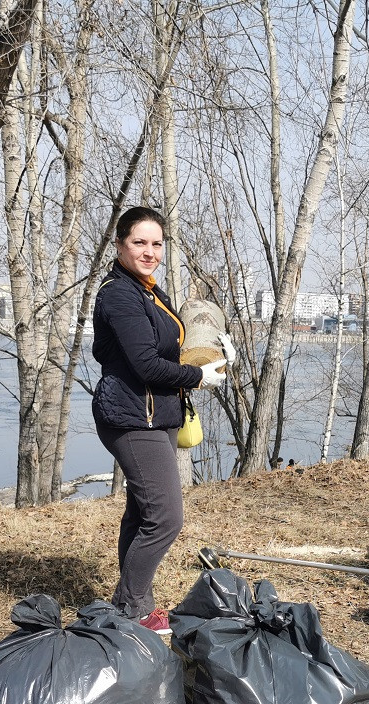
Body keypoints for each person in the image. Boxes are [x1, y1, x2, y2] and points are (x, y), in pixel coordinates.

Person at [91, 206, 233, 633]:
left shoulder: (149, 290)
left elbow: (172, 347)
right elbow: (147, 364)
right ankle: (130, 610)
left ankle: (136, 604)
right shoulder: (119, 294)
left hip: (157, 414)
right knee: (166, 518)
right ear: (120, 244)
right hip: (133, 419)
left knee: (141, 513)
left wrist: (214, 351)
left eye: (156, 244)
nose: (149, 252)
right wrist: (198, 377)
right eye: (139, 242)